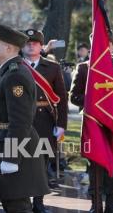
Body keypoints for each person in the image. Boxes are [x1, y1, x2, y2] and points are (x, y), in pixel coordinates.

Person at [0, 24, 49, 212]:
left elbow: (20, 121)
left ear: (9, 48)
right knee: (10, 202)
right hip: (0, 144)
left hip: (15, 149)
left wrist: (11, 158)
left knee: (17, 205)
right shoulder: (0, 70)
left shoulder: (15, 75)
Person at [70, 30, 113, 213]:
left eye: (107, 44)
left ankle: (111, 203)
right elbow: (74, 97)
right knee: (94, 165)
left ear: (112, 46)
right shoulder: (84, 68)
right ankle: (95, 204)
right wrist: (92, 100)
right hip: (93, 123)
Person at [22, 29, 68, 213]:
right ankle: (22, 201)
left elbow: (61, 98)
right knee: (21, 160)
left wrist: (61, 125)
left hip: (44, 120)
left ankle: (38, 202)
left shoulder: (53, 67)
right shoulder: (14, 65)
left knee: (41, 163)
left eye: (35, 42)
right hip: (21, 119)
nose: (31, 45)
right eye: (27, 42)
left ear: (41, 46)